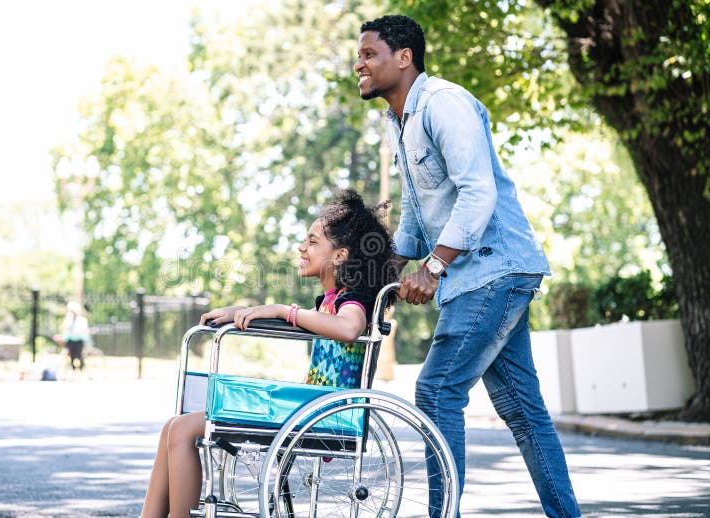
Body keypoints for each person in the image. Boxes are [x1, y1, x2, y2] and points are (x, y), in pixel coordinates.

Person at [354, 14, 581, 518]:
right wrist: (377, 278)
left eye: (370, 54)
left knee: (436, 392)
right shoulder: (400, 122)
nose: (359, 64)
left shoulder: (444, 104)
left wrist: (432, 269)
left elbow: (477, 192)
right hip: (482, 274)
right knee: (523, 412)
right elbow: (417, 210)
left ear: (404, 57)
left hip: (493, 268)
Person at [140, 189, 397, 518]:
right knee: (173, 426)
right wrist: (248, 312)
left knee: (183, 430)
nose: (301, 248)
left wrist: (280, 310)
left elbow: (348, 328)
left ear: (340, 255)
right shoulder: (329, 300)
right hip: (306, 406)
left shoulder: (353, 300)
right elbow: (313, 323)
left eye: (313, 241)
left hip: (324, 414)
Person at [62, 300, 89, 371]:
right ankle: (72, 369)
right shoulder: (68, 320)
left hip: (79, 341)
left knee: (80, 355)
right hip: (70, 341)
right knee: (71, 356)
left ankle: (81, 369)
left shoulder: (82, 320)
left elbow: (82, 331)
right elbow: (65, 329)